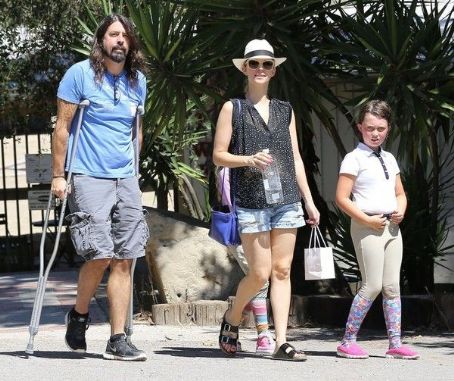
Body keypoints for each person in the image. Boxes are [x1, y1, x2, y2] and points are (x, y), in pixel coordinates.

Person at [212, 39, 320, 361]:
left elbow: (296, 159)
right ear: (245, 68)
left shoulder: (286, 110)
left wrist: (309, 201)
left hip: (286, 199)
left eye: (267, 64)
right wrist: (248, 160)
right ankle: (232, 317)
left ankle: (281, 341)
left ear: (274, 71)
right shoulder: (234, 108)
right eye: (254, 63)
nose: (260, 69)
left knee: (283, 270)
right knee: (259, 274)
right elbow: (218, 156)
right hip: (251, 200)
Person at [51, 14, 149, 361]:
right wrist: (59, 175)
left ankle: (117, 338)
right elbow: (62, 128)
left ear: (131, 43)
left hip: (125, 177)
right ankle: (78, 315)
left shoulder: (138, 82)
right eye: (113, 34)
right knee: (100, 253)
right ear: (101, 40)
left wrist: (134, 173)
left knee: (126, 256)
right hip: (88, 174)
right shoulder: (79, 74)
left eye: (124, 35)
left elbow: (136, 129)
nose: (119, 40)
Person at [335, 100, 419, 360]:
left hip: (391, 228)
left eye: (380, 128)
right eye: (369, 127)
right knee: (371, 285)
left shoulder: (389, 158)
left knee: (392, 286)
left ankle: (395, 343)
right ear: (360, 127)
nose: (375, 133)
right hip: (367, 227)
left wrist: (401, 210)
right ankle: (347, 341)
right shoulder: (354, 158)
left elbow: (400, 193)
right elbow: (342, 198)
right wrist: (367, 220)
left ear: (388, 128)